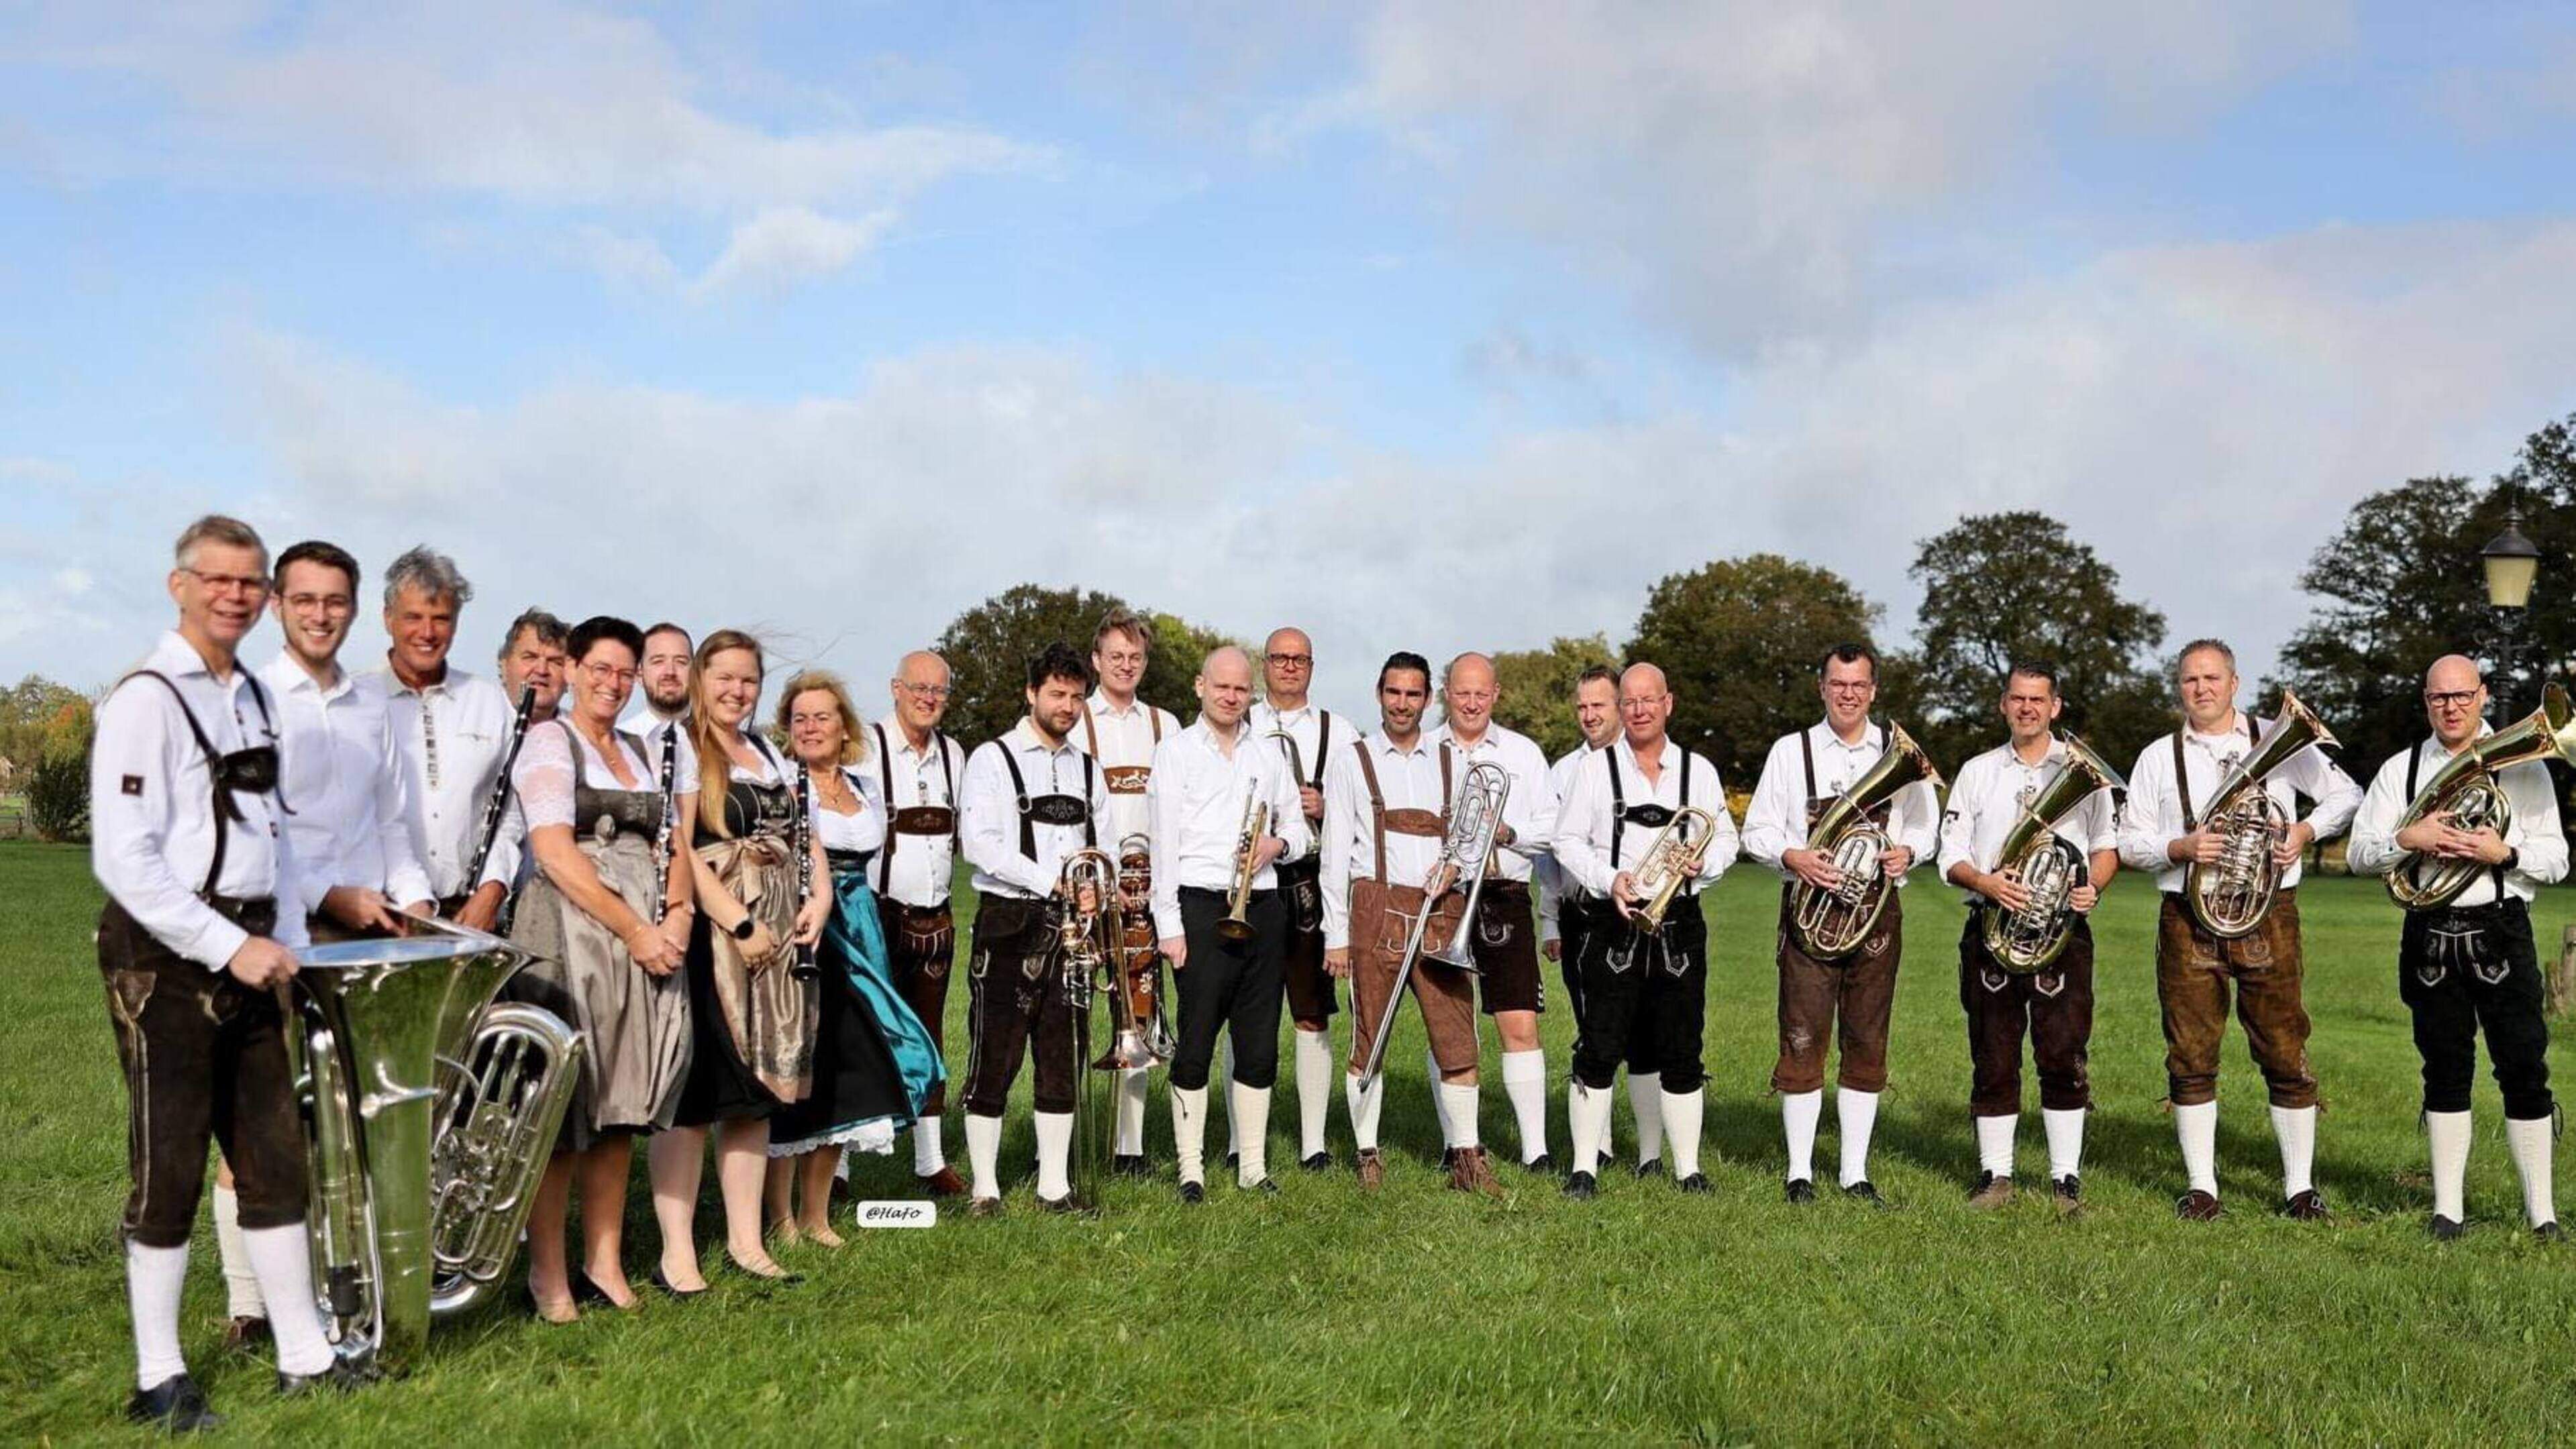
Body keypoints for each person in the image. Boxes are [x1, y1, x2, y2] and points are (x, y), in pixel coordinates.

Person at [91, 515, 360, 1432]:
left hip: (251, 950)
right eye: (220, 580)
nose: (236, 596)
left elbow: (272, 838)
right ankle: (158, 1376)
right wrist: (227, 946)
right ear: (180, 585)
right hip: (162, 959)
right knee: (168, 1168)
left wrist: (283, 941)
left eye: (250, 582)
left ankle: (305, 1356)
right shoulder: (145, 698)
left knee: (273, 1160)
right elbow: (125, 861)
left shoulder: (247, 693)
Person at [2118, 639, 2361, 1221]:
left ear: (2233, 682)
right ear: (2178, 688)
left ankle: (2298, 1189)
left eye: (2210, 678)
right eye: (2188, 680)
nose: (2200, 688)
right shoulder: (2157, 756)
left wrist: (2302, 832)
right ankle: (2202, 1189)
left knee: (2283, 1045)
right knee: (2190, 1052)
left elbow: (2346, 794)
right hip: (2186, 914)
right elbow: (2129, 840)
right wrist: (2180, 846)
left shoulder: (2278, 739)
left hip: (2268, 912)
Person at [503, 616, 696, 1320]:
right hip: (568, 936)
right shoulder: (549, 741)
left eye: (625, 671)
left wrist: (676, 917)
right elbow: (554, 852)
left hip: (642, 939)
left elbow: (675, 842)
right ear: (573, 670)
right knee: (562, 1113)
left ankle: (604, 1261)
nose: (613, 683)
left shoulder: (644, 749)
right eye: (600, 669)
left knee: (620, 1108)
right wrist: (634, 928)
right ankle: (547, 1274)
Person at [2347, 655, 2569, 1239]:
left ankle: (2541, 1214)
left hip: (2501, 928)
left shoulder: (2526, 769)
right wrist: (2405, 838)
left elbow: (2557, 860)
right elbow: (2358, 852)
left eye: (2462, 696)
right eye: (2439, 698)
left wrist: (2507, 853)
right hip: (2428, 932)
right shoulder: (2402, 769)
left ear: (2483, 696)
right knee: (2443, 1071)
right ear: (2426, 701)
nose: (2451, 707)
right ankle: (2447, 1211)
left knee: (2524, 1070)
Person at [652, 631, 828, 1283]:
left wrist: (820, 899)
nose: (736, 691)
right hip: (712, 937)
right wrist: (739, 922)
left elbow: (804, 838)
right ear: (700, 680)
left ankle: (746, 1241)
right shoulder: (681, 746)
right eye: (724, 678)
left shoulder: (765, 753)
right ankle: (676, 1249)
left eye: (748, 681)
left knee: (756, 1093)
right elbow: (679, 849)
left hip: (780, 930)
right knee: (698, 1094)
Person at [1741, 643, 1939, 1205]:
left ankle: (1854, 1172)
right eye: (1837, 683)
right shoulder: (1789, 751)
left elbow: (1926, 827)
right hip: (1809, 914)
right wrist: (1792, 855)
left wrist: (1909, 851)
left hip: (1876, 916)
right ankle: (1798, 1172)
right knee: (1801, 1037)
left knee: (1867, 1039)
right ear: (1821, 688)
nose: (1847, 694)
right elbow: (1755, 831)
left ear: (1873, 691)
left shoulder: (1899, 753)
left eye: (1857, 685)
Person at [764, 671, 945, 1244]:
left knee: (855, 1069)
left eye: (823, 716)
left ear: (844, 727)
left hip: (862, 925)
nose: (812, 727)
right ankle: (780, 1218)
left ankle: (817, 1215)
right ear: (787, 730)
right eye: (800, 718)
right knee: (800, 1072)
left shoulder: (865, 787)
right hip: (808, 929)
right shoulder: (780, 787)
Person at [1935, 661, 2120, 1212]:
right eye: (2017, 699)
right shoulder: (1976, 771)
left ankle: (2065, 1180)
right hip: (1990, 927)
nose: (2027, 708)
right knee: (1992, 1055)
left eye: (2037, 700)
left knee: (2062, 1054)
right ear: (2002, 705)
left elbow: (2105, 848)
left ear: (2055, 706)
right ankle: (1997, 1176)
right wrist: (1985, 881)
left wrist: (2091, 887)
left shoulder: (2083, 772)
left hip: (2062, 931)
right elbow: (1950, 855)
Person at [1550, 662, 1739, 1199]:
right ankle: (1584, 1168)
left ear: (1667, 704)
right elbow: (1566, 841)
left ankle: (1686, 1168)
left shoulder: (1696, 769)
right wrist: (1610, 879)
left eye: (1647, 701)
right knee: (1599, 1045)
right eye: (1628, 701)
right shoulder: (1594, 769)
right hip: (1612, 922)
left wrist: (1707, 864)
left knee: (1682, 1047)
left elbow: (1724, 836)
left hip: (1679, 923)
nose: (1637, 710)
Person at [1321, 652, 1498, 1195]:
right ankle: (1367, 1152)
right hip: (1373, 910)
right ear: (1379, 694)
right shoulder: (1352, 759)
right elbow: (1333, 853)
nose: (1402, 703)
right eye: (1394, 693)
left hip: (1439, 911)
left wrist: (1456, 868)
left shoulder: (1449, 760)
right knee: (1369, 1038)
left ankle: (1466, 1157)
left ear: (1428, 699)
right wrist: (1336, 937)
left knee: (1456, 1038)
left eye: (1413, 694)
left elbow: (1474, 841)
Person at [1149, 645, 1312, 1200]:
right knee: (1196, 1039)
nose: (1231, 696)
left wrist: (1279, 843)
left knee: (1259, 1043)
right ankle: (1190, 1168)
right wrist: (1168, 925)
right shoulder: (1173, 753)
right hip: (1198, 906)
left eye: (1241, 689)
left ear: (1252, 694)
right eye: (1221, 687)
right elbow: (1163, 846)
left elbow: (1302, 829)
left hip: (1262, 907)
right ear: (1200, 686)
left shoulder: (1267, 756)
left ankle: (1252, 1167)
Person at [957, 643, 1113, 1213]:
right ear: (1031, 693)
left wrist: (1095, 882)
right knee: (995, 1054)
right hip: (1009, 922)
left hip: (1074, 926)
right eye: (1057, 694)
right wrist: (1056, 881)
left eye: (1076, 696)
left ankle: (1054, 1185)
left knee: (1061, 1053)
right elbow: (981, 845)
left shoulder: (1086, 768)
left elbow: (1106, 843)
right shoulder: (992, 759)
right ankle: (985, 1188)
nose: (1067, 706)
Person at [1428, 652, 1560, 1171]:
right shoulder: (1426, 750)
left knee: (1518, 1022)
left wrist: (1506, 832)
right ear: (1446, 692)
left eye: (1481, 693)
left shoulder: (1523, 753)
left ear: (1496, 694)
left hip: (1503, 891)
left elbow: (1551, 828)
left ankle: (1536, 1150)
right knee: (1448, 1027)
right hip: (1445, 895)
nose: (1471, 702)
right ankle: (1456, 1143)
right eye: (1462, 692)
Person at [1537, 665, 1655, 1172]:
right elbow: (1550, 855)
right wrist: (1548, 921)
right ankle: (1599, 1146)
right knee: (1594, 1029)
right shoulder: (1564, 771)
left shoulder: (1646, 765)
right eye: (1581, 707)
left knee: (1647, 1031)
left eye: (1599, 706)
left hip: (1646, 915)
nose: (1589, 716)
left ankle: (1650, 1152)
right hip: (1581, 914)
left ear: (1621, 707)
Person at [1076, 608, 1181, 1175]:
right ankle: (1061, 1140)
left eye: (1135, 657)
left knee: (1137, 1014)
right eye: (1115, 656)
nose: (1125, 666)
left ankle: (1129, 1147)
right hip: (1089, 886)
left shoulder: (1164, 724)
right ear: (1096, 661)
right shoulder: (1077, 720)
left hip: (1146, 888)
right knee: (1068, 1013)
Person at [370, 546, 522, 932]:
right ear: (388, 618)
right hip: (381, 917)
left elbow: (511, 811)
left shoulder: (488, 700)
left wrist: (492, 890)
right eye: (414, 618)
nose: (427, 632)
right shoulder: (356, 701)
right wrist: (412, 903)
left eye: (441, 619)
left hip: (470, 916)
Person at [870, 650, 972, 1195]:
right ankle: (837, 1171)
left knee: (929, 1040)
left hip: (936, 914)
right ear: (895, 688)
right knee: (863, 1039)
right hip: (877, 913)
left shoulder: (954, 754)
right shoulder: (865, 748)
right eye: (919, 688)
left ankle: (929, 1161)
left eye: (939, 690)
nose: (929, 698)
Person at [1247, 626, 1345, 1171]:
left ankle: (1313, 1142)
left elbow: (1361, 813)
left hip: (1308, 883)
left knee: (1311, 1013)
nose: (1289, 667)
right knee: (1246, 1013)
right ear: (1265, 664)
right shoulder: (1240, 721)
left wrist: (1325, 805)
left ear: (1312, 666)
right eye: (1280, 658)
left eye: (1299, 659)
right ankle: (1244, 1140)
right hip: (1250, 884)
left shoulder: (1339, 731)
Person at [621, 621, 694, 749]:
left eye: (681, 662)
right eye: (658, 662)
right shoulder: (620, 742)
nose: (670, 672)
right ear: (639, 674)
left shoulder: (721, 742)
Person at [497, 608, 571, 724]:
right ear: (504, 667)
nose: (542, 671)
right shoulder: (475, 716)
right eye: (530, 657)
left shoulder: (581, 738)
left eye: (555, 662)